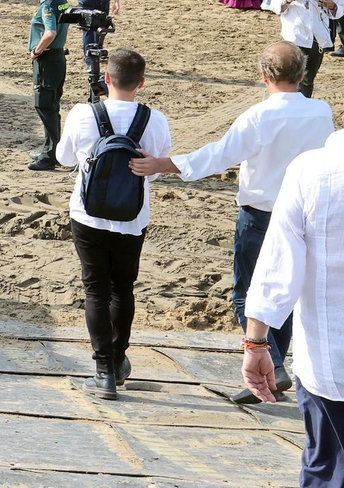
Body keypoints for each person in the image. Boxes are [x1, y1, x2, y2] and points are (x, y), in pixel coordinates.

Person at [129, 41, 329, 407]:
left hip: (262, 214)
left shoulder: (259, 116)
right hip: (307, 214)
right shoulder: (321, 112)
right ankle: (277, 366)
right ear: (302, 74)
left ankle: (275, 362)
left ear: (264, 75)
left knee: (248, 293)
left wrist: (163, 164)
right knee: (286, 292)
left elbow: (219, 155)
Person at [55, 48, 172, 400]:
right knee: (123, 288)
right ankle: (118, 360)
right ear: (142, 83)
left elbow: (62, 159)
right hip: (133, 216)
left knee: (95, 289)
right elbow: (158, 162)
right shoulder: (155, 119)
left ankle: (103, 370)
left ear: (106, 79)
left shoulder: (82, 114)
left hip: (88, 215)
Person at [241, 132, 344, 485]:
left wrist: (256, 342)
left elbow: (278, 265)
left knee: (325, 465)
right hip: (327, 360)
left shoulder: (312, 169)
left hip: (329, 361)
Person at [276, 0, 344, 97]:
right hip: (293, 35)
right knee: (289, 79)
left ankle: (302, 112)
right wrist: (286, 0)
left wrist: (332, 6)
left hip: (317, 37)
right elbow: (274, 6)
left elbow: (340, 9)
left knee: (307, 80)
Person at [27, 0, 71, 172]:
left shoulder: (48, 4)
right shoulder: (62, 1)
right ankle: (51, 149)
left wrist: (36, 51)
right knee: (51, 106)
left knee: (44, 105)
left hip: (48, 58)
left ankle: (49, 156)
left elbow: (50, 33)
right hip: (58, 58)